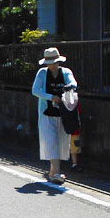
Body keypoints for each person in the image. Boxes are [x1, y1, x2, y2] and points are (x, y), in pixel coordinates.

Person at [31, 46, 77, 183]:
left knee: (61, 142)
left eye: (53, 62)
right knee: (51, 142)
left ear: (58, 61)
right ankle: (57, 173)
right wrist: (51, 97)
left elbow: (73, 82)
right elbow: (35, 90)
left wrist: (70, 87)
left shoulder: (66, 72)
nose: (51, 65)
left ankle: (52, 173)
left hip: (63, 113)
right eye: (49, 63)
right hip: (47, 113)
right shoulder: (42, 73)